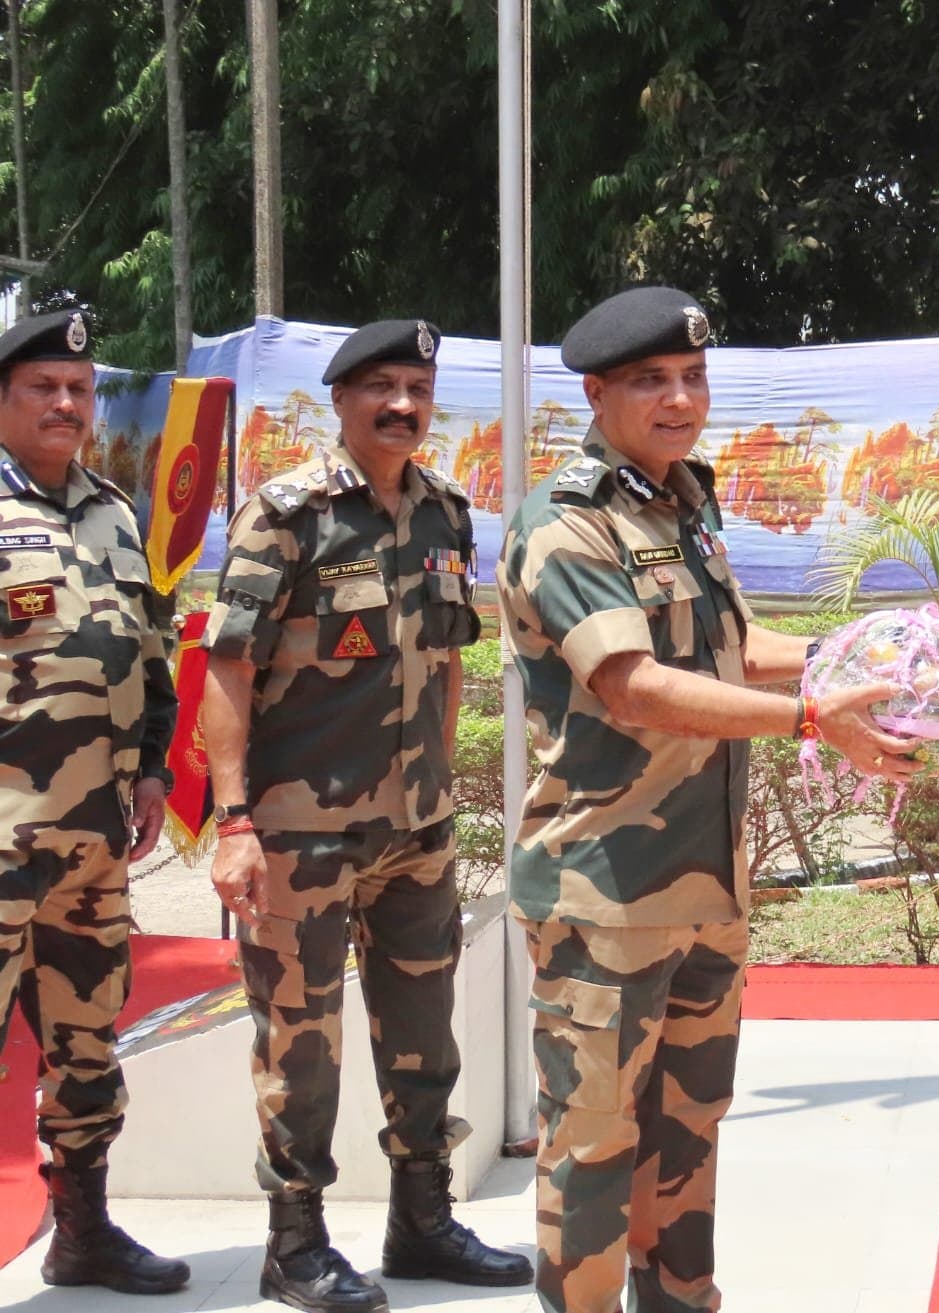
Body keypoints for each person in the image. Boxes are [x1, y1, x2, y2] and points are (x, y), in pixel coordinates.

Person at [497, 285, 918, 1313]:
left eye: (693, 377)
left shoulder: (685, 499)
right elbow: (633, 684)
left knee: (687, 1127)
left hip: (704, 885)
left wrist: (844, 657)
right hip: (602, 894)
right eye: (652, 381)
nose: (680, 399)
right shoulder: (565, 523)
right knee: (595, 1140)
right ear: (597, 393)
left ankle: (682, 1298)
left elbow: (729, 645)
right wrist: (814, 722)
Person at [201, 319, 532, 1313]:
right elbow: (228, 665)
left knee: (425, 1038)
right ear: (340, 400)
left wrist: (436, 788)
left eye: (417, 387)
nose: (402, 404)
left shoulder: (445, 514)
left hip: (416, 834)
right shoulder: (288, 512)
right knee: (301, 1046)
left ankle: (421, 1222)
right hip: (301, 831)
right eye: (380, 386)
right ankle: (294, 1244)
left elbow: (449, 664)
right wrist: (231, 819)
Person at [0, 308, 187, 1294]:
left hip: (91, 843)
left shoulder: (113, 511)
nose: (66, 403)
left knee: (85, 1043)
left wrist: (151, 767)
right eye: (43, 385)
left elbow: (149, 653)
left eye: (78, 388)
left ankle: (83, 1232)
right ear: (4, 397)